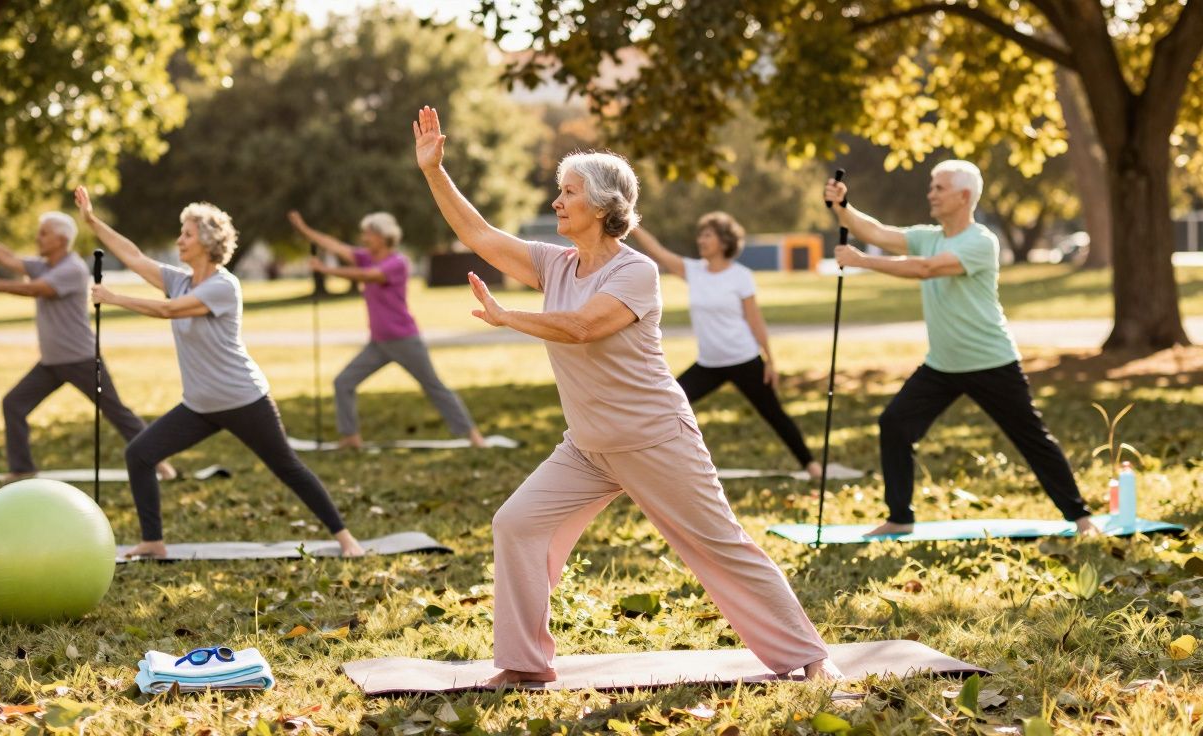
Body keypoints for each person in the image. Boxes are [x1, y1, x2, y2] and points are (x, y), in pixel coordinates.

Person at [414, 106, 839, 686]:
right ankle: (525, 664)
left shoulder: (635, 273)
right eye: (558, 191)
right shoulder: (553, 262)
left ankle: (809, 656)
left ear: (606, 206)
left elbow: (584, 326)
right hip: (587, 447)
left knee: (719, 546)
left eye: (569, 192)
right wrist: (435, 171)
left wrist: (509, 316)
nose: (557, 201)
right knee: (517, 524)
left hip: (654, 438)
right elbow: (481, 236)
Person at [74, 187, 365, 558]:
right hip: (199, 405)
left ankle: (345, 538)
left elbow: (170, 311)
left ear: (208, 242)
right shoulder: (178, 279)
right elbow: (133, 255)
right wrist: (91, 221)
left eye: (187, 234)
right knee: (140, 454)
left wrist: (115, 299)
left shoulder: (224, 286)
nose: (180, 239)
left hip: (243, 399)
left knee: (287, 467)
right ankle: (153, 541)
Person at [826, 161, 1097, 537]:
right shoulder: (929, 235)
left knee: (1031, 438)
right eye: (932, 187)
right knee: (895, 424)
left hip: (991, 362)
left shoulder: (980, 241)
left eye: (939, 188)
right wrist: (842, 207)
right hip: (942, 364)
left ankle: (1081, 518)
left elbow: (926, 269)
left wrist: (863, 261)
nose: (930, 194)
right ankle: (900, 518)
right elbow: (876, 231)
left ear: (964, 196)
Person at [0, 212, 175, 482]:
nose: (38, 238)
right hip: (51, 362)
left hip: (81, 360)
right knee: (13, 404)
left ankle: (159, 462)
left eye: (44, 233)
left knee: (116, 412)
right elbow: (9, 259)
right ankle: (22, 469)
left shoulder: (72, 269)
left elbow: (37, 290)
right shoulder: (45, 265)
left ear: (61, 239)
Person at [630, 217, 823, 480]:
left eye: (708, 236)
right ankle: (652, 465)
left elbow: (755, 319)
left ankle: (812, 466)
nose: (701, 240)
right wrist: (632, 222)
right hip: (709, 364)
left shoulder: (740, 276)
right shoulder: (693, 271)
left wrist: (770, 360)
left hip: (744, 360)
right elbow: (657, 252)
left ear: (724, 241)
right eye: (700, 235)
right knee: (667, 404)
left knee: (774, 414)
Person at [288, 210, 485, 449]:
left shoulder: (397, 263)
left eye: (368, 234)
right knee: (343, 382)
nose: (364, 238)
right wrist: (305, 230)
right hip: (379, 343)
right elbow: (336, 246)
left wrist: (326, 270)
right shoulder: (366, 256)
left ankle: (473, 436)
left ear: (383, 237)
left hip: (404, 340)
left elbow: (369, 276)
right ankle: (350, 437)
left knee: (434, 387)